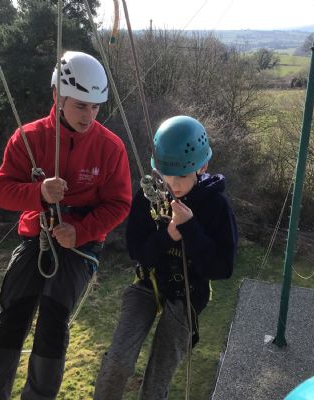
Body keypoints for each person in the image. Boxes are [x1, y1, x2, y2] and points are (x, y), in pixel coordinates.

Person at [0, 51, 132, 399]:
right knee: (12, 315)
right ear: (57, 96)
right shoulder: (29, 137)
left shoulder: (110, 147)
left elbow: (119, 203)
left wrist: (81, 231)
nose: (89, 116)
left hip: (80, 242)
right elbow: (2, 191)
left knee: (53, 320)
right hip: (38, 234)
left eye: (95, 107)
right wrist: (39, 194)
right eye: (80, 106)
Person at [93, 115, 238, 400]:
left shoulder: (216, 206)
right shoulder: (149, 196)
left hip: (188, 293)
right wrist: (167, 236)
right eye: (166, 176)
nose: (173, 185)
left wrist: (190, 229)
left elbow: (222, 268)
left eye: (182, 176)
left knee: (157, 379)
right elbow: (137, 252)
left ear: (202, 167)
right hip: (149, 282)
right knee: (117, 362)